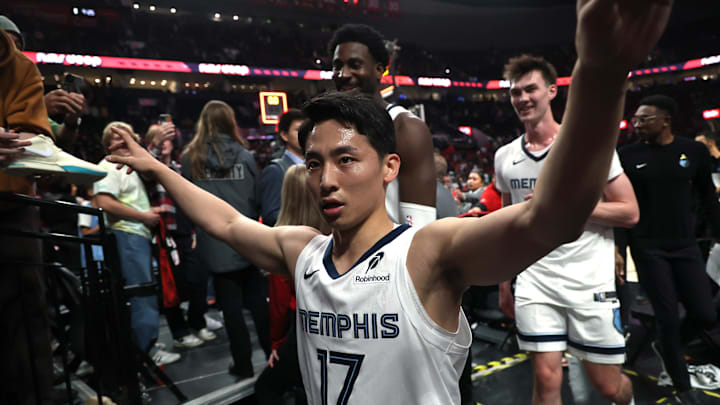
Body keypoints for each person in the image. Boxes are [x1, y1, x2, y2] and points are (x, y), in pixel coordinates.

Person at [105, 2, 673, 401]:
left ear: (389, 168)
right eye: (314, 162)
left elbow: (552, 215)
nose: (325, 178)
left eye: (346, 160)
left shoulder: (427, 251)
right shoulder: (305, 251)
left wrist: (601, 71)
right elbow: (226, 221)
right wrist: (155, 166)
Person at [495, 53, 640, 405]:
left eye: (531, 89)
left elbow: (630, 212)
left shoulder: (588, 146)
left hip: (589, 279)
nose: (523, 99)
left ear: (552, 91)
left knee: (608, 386)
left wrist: (569, 206)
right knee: (546, 378)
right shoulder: (504, 157)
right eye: (516, 92)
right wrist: (504, 283)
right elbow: (507, 221)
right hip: (535, 279)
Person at [619, 94, 719, 403]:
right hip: (647, 246)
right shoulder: (625, 155)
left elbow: (707, 197)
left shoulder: (693, 151)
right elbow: (620, 206)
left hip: (685, 244)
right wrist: (619, 250)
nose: (637, 124)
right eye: (635, 119)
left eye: (644, 118)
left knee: (704, 313)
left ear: (665, 120)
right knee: (666, 317)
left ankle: (667, 346)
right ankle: (682, 386)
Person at [180, 100, 270, 377]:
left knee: (230, 309)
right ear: (230, 122)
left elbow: (185, 202)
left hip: (214, 242)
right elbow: (257, 199)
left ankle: (242, 366)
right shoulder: (244, 156)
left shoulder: (190, 158)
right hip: (246, 237)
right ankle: (273, 359)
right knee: (258, 305)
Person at [329, 23, 437, 227]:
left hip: (391, 254)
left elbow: (419, 228)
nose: (343, 74)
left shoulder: (406, 128)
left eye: (354, 64)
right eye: (337, 66)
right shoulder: (334, 129)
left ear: (379, 70)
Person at [93, 121, 181, 366]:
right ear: (106, 145)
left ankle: (146, 342)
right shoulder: (109, 167)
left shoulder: (125, 167)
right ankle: (147, 350)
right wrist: (144, 216)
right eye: (116, 139)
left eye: (127, 138)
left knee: (144, 291)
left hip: (135, 236)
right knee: (141, 293)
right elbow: (103, 203)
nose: (122, 143)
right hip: (128, 236)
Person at [255, 164, 330, 405]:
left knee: (265, 388)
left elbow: (278, 306)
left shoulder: (285, 245)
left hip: (298, 331)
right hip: (330, 328)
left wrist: (276, 345)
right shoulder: (332, 236)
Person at [261, 108, 307, 227]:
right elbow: (271, 216)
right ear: (284, 135)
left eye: (308, 130)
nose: (305, 135)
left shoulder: (316, 166)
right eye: (298, 130)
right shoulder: (276, 170)